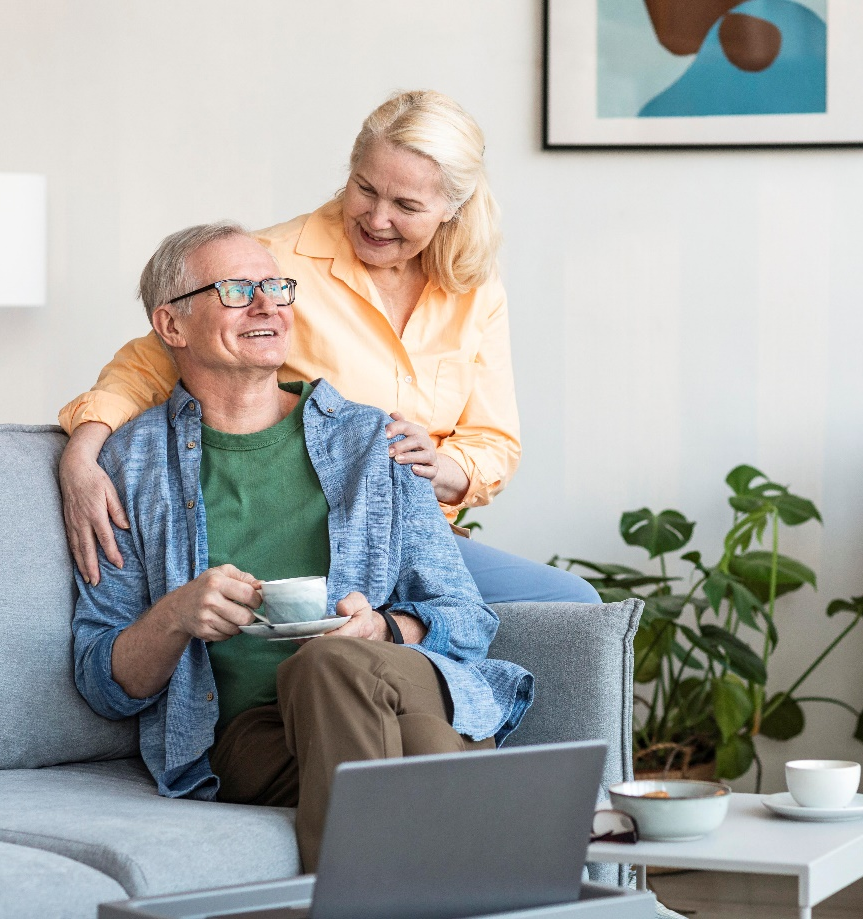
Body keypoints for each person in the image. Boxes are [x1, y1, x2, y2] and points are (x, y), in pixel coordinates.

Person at [71, 222, 532, 872]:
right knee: (424, 739)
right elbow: (103, 680)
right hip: (251, 737)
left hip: (393, 680)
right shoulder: (129, 465)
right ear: (171, 326)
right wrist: (176, 615)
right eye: (236, 289)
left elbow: (465, 619)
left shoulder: (378, 442)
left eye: (277, 286)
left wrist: (383, 627)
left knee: (328, 665)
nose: (268, 305)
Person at [58, 89, 595, 604]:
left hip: (420, 534)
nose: (377, 218)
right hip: (318, 529)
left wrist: (442, 468)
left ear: (451, 207)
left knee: (572, 604)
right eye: (364, 189)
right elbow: (146, 362)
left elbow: (492, 440)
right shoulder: (270, 266)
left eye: (406, 204)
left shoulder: (474, 285)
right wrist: (81, 456)